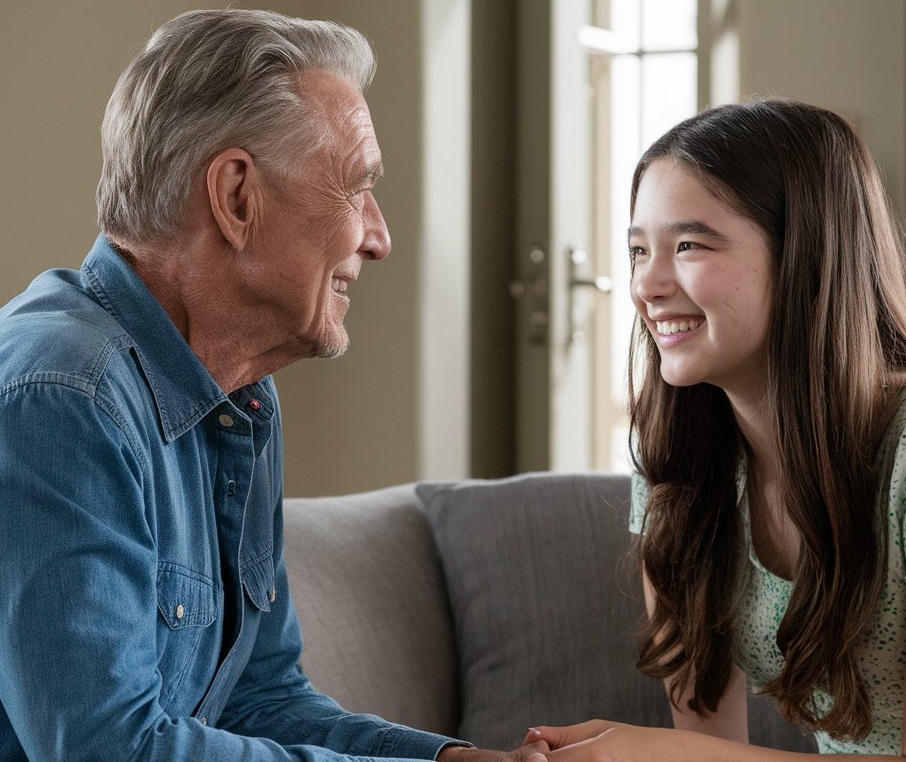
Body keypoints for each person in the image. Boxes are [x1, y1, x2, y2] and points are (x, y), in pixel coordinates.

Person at [0, 9, 549, 762]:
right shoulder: (62, 397)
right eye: (356, 188)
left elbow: (260, 698)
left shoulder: (242, 396)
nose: (378, 237)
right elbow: (106, 750)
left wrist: (458, 761)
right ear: (235, 197)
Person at [523, 99, 906, 760]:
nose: (646, 283)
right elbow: (707, 746)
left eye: (688, 245)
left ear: (804, 256)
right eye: (638, 249)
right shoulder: (674, 459)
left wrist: (647, 753)